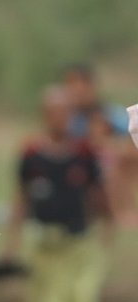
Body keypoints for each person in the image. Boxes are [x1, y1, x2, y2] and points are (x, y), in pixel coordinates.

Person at [0, 86, 113, 302]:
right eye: (54, 112)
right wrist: (10, 247)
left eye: (66, 113)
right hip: (45, 245)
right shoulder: (31, 154)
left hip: (79, 243)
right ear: (43, 115)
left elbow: (100, 198)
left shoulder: (84, 153)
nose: (60, 119)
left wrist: (107, 232)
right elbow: (20, 199)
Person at [63, 62, 138, 226]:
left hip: (110, 166)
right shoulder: (66, 118)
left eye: (77, 84)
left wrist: (108, 147)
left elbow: (131, 145)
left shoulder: (111, 114)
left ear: (90, 86)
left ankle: (123, 211)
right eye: (68, 85)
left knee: (114, 166)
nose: (73, 91)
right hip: (80, 167)